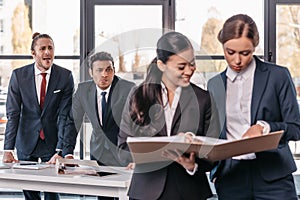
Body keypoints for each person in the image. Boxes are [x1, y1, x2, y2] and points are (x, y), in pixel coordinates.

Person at [207, 14, 300, 200]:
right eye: (230, 52)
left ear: (255, 47)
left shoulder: (278, 76)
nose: (237, 61)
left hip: (274, 177)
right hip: (231, 177)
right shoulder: (214, 84)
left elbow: (296, 128)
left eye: (245, 53)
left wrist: (265, 127)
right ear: (222, 46)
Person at [118, 31, 214, 200]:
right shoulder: (138, 95)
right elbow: (123, 149)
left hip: (189, 191)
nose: (189, 71)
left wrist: (192, 165)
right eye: (181, 66)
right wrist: (150, 153)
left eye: (192, 64)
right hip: (145, 191)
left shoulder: (203, 99)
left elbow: (212, 153)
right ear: (161, 65)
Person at [2, 32, 75, 200]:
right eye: (42, 48)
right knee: (29, 192)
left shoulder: (65, 76)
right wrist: (8, 149)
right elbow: (13, 114)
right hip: (26, 141)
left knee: (52, 192)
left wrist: (61, 149)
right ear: (33, 53)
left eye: (50, 48)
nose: (47, 52)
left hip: (52, 142)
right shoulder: (18, 76)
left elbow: (66, 116)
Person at [71, 51, 135, 199]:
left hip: (124, 153)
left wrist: (137, 158)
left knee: (128, 195)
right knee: (103, 195)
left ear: (114, 70)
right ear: (91, 72)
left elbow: (138, 125)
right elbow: (72, 122)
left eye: (108, 69)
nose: (104, 74)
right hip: (98, 152)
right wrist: (66, 151)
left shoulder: (129, 88)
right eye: (99, 70)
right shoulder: (83, 90)